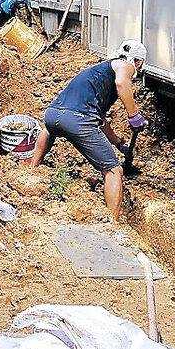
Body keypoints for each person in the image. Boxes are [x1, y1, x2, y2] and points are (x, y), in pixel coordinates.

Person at [30, 40, 149, 221]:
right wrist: (133, 115)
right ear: (138, 62)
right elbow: (122, 83)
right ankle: (113, 222)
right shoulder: (125, 66)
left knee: (49, 130)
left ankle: (32, 169)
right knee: (114, 170)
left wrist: (119, 144)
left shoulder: (99, 73)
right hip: (78, 120)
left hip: (52, 115)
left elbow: (100, 120)